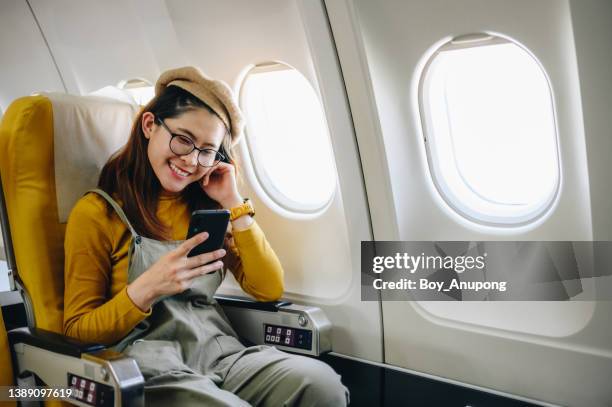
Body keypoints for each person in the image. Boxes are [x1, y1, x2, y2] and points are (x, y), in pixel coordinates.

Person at [63, 66, 349, 406]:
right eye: (183, 139)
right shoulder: (98, 212)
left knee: (320, 385)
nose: (190, 160)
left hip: (218, 353)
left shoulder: (206, 211)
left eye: (206, 150)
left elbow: (267, 287)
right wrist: (147, 287)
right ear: (150, 125)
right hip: (148, 368)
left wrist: (233, 202)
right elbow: (76, 330)